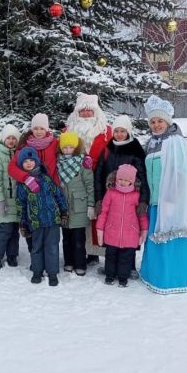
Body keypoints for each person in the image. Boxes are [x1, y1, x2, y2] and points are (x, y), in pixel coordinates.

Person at [139, 95, 187, 294]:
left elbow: (181, 172)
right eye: (153, 121)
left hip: (169, 200)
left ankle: (171, 279)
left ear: (167, 121)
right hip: (154, 200)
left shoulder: (174, 141)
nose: (157, 125)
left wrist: (172, 198)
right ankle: (153, 274)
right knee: (155, 238)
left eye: (160, 121)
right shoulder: (151, 142)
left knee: (170, 239)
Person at [65, 93, 112, 265]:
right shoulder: (68, 130)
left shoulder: (106, 131)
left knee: (96, 216)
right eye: (82, 111)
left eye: (89, 111)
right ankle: (80, 253)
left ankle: (95, 251)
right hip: (74, 182)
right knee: (78, 217)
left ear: (96, 112)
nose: (85, 114)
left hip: (99, 180)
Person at [16, 148, 68, 287]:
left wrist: (63, 210)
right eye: (25, 161)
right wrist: (23, 223)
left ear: (36, 162)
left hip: (52, 220)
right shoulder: (22, 184)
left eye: (31, 160)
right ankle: (37, 271)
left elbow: (58, 194)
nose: (28, 163)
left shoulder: (46, 178)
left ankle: (52, 273)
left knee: (52, 247)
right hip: (35, 221)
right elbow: (21, 204)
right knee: (36, 247)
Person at [96, 164, 149, 287]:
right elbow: (103, 212)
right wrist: (100, 229)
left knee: (125, 259)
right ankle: (109, 276)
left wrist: (143, 230)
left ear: (132, 181)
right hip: (112, 233)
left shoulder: (136, 195)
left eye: (127, 180)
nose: (123, 182)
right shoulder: (110, 193)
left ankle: (123, 278)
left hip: (130, 235)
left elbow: (142, 215)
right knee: (110, 257)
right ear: (116, 178)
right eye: (121, 179)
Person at [57, 132, 95, 276]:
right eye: (64, 147)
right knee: (66, 238)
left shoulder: (83, 162)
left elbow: (89, 185)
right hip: (64, 207)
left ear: (75, 148)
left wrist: (91, 205)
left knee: (79, 239)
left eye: (70, 147)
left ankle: (80, 264)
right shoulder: (58, 163)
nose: (67, 150)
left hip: (80, 206)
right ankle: (69, 262)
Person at [0, 124, 21, 269]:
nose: (11, 140)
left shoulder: (19, 154)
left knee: (15, 230)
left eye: (14, 138)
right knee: (4, 229)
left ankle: (12, 255)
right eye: (8, 137)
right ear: (4, 139)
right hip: (5, 200)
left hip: (18, 200)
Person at [8, 113, 61, 191]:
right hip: (32, 189)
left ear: (46, 129)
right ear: (32, 129)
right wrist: (25, 178)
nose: (39, 132)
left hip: (52, 187)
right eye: (36, 128)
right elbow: (11, 167)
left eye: (42, 128)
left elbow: (68, 149)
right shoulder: (25, 145)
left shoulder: (54, 143)